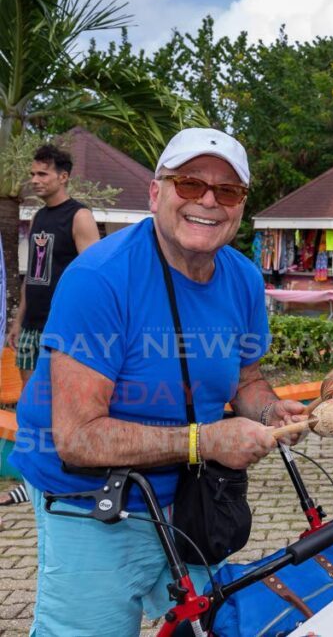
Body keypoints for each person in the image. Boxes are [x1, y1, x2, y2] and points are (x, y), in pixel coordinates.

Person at [9, 127, 309, 635]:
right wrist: (209, 439)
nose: (208, 202)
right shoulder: (99, 277)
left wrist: (270, 413)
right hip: (92, 501)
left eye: (227, 191)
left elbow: (247, 379)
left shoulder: (242, 277)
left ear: (240, 206)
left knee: (206, 624)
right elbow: (78, 438)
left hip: (192, 500)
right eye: (190, 184)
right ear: (156, 192)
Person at [7, 144, 100, 385]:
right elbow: (33, 274)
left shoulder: (79, 216)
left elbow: (94, 278)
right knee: (29, 400)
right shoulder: (38, 217)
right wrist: (18, 321)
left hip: (62, 325)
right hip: (31, 325)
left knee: (59, 402)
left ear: (63, 177)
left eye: (42, 174)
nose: (35, 180)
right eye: (32, 174)